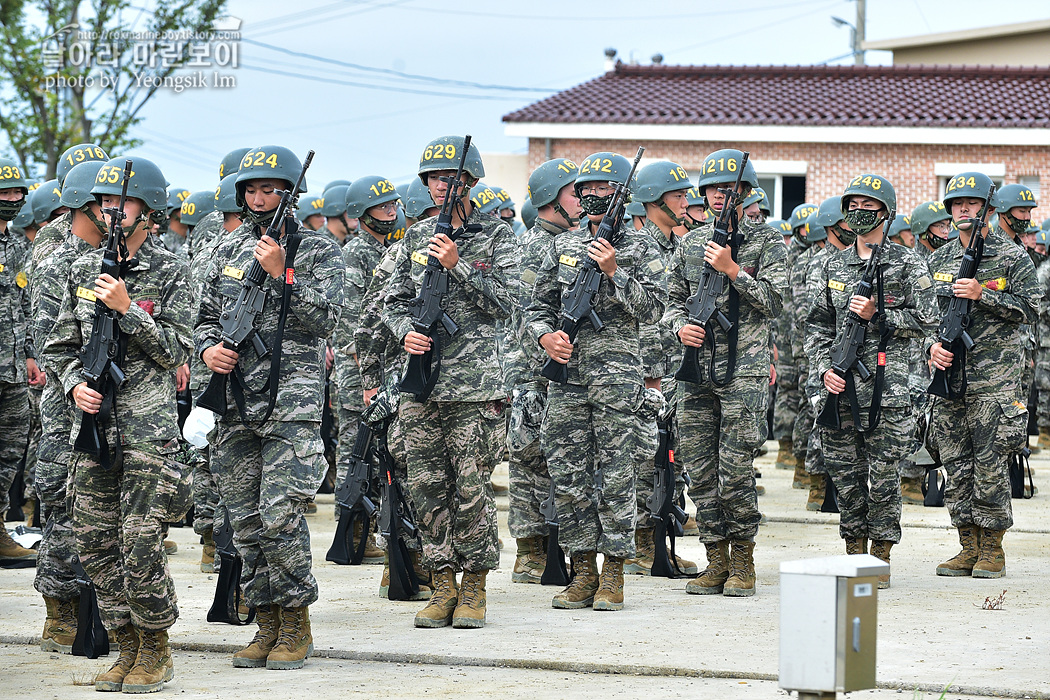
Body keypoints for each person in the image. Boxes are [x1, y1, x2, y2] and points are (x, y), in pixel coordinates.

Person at [45, 156, 193, 692]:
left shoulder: (174, 270)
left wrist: (129, 310)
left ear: (147, 210)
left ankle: (156, 648)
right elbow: (59, 345)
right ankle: (125, 645)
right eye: (104, 202)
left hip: (147, 430)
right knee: (94, 541)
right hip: (92, 430)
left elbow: (181, 350)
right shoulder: (82, 270)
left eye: (122, 202)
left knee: (140, 541)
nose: (111, 210)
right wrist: (72, 384)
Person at [196, 145, 345, 668]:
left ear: (291, 194)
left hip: (291, 404)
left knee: (280, 516)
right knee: (243, 521)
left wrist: (285, 276)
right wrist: (207, 348)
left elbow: (328, 320)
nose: (260, 199)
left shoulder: (320, 251)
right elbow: (203, 317)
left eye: (271, 190)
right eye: (252, 190)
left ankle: (296, 621)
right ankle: (265, 622)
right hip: (234, 402)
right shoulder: (225, 250)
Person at [383, 135, 518, 628]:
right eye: (434, 178)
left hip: (475, 386)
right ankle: (442, 583)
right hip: (422, 386)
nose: (442, 185)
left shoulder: (499, 238)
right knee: (426, 487)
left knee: (471, 490)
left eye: (451, 178)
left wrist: (457, 267)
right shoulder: (414, 239)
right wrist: (405, 334)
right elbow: (389, 300)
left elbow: (508, 302)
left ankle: (476, 587)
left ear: (471, 183)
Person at [525, 150, 665, 611]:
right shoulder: (562, 246)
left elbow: (654, 311)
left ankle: (615, 573)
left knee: (617, 475)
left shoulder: (641, 247)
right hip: (566, 379)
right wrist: (545, 337)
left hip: (616, 379)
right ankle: (583, 570)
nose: (592, 195)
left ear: (623, 195)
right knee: (568, 474)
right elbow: (534, 307)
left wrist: (615, 272)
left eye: (604, 188)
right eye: (586, 189)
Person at [663, 149, 785, 598]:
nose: (720, 196)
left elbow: (776, 302)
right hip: (694, 374)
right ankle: (715, 558)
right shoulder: (690, 245)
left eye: (730, 190)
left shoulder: (767, 243)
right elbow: (669, 300)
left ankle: (743, 562)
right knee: (700, 468)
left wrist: (734, 271)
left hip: (744, 375)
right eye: (714, 189)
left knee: (735, 469)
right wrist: (679, 326)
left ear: (747, 193)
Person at [807, 174, 938, 588]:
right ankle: (853, 551)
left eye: (869, 205)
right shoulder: (832, 264)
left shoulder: (908, 263)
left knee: (883, 479)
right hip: (840, 390)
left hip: (890, 392)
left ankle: (878, 557)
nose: (859, 212)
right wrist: (823, 369)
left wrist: (880, 314)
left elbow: (928, 321)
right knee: (845, 478)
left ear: (886, 212)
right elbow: (816, 327)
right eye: (853, 205)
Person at [926, 172, 1040, 579]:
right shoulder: (937, 259)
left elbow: (1033, 308)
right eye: (958, 205)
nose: (966, 210)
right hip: (949, 380)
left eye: (974, 204)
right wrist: (930, 349)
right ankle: (966, 546)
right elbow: (926, 318)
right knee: (956, 465)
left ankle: (993, 549)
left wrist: (983, 294)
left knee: (990, 465)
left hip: (995, 381)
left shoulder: (1011, 257)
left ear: (989, 210)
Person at [31, 159, 108, 652]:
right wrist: (77, 382)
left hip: (104, 394)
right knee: (62, 502)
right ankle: (59, 609)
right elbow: (48, 336)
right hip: (66, 398)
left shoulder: (106, 248)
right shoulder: (56, 253)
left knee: (96, 506)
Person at [507, 157, 581, 584]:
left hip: (555, 369)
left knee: (552, 462)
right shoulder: (537, 246)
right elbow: (522, 314)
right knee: (530, 463)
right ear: (553, 200)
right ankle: (530, 552)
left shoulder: (565, 241)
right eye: (574, 192)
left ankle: (548, 549)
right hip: (534, 372)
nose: (583, 199)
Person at [625, 159, 697, 576]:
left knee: (674, 460)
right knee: (642, 458)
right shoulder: (637, 248)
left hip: (678, 370)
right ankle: (639, 544)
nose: (686, 202)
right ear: (654, 200)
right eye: (679, 195)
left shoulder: (681, 247)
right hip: (646, 370)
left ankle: (663, 542)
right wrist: (648, 373)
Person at [0, 157, 39, 564]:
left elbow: (24, 306)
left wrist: (30, 354)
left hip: (12, 369)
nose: (12, 199)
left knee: (11, 448)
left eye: (17, 193)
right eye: (4, 192)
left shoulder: (17, 247)